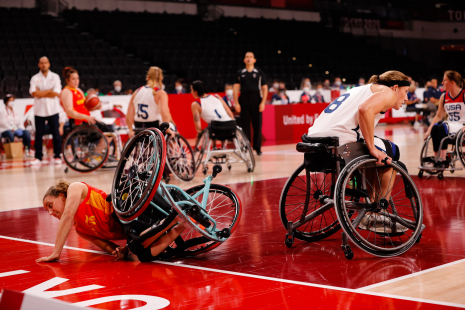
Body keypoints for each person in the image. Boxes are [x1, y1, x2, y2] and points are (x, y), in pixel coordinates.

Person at [37, 180, 187, 263]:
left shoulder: (75, 188)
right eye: (47, 210)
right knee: (143, 255)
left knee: (134, 243)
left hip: (128, 208)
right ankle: (184, 223)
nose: (50, 212)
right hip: (134, 229)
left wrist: (56, 253)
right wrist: (119, 252)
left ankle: (176, 217)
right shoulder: (80, 229)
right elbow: (108, 246)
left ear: (62, 195)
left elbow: (68, 215)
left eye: (50, 205)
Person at [425, 70, 465, 167]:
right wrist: (428, 130)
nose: (442, 83)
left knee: (443, 127)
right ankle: (437, 158)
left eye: (444, 81)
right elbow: (438, 116)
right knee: (435, 128)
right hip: (450, 125)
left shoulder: (463, 94)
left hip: (461, 126)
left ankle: (443, 159)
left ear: (452, 82)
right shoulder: (444, 96)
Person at [233, 52, 268, 156]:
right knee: (245, 126)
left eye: (250, 57)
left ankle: (257, 148)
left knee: (257, 125)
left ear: (254, 60)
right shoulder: (240, 72)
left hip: (256, 99)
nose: (248, 59)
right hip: (243, 99)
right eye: (247, 57)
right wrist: (236, 103)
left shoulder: (259, 72)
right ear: (244, 60)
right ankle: (245, 147)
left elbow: (264, 88)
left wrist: (263, 102)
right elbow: (235, 89)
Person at [29, 57, 62, 165]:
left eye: (45, 63)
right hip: (39, 111)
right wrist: (49, 91)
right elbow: (34, 93)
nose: (43, 65)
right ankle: (38, 157)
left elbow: (56, 93)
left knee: (56, 134)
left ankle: (57, 156)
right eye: (41, 63)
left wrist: (41, 92)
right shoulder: (34, 78)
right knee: (39, 135)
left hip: (53, 110)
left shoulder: (55, 77)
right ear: (39, 65)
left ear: (49, 64)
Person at [126, 66, 174, 139]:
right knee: (173, 129)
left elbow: (129, 114)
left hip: (138, 127)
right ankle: (173, 149)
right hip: (155, 127)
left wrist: (130, 129)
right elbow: (164, 112)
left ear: (148, 78)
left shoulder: (137, 91)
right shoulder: (160, 93)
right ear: (161, 78)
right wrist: (167, 129)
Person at [191, 80, 234, 146]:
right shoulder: (216, 96)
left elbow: (198, 128)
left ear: (195, 92)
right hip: (230, 126)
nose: (191, 92)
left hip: (215, 129)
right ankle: (223, 146)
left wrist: (197, 142)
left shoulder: (195, 104)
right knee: (218, 122)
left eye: (191, 90)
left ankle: (214, 146)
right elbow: (230, 113)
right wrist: (233, 125)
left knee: (211, 125)